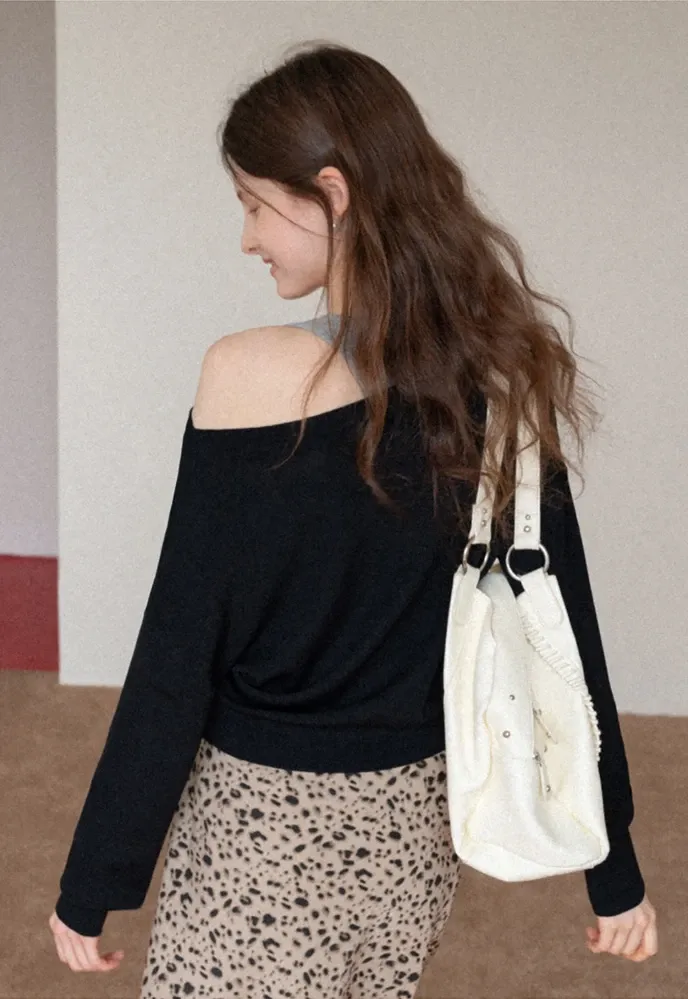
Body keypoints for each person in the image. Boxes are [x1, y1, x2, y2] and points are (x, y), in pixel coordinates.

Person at [49, 40, 658, 994]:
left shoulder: (246, 376)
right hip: (417, 831)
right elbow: (564, 635)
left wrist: (95, 881)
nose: (247, 236)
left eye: (255, 204)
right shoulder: (498, 378)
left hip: (262, 832)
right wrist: (615, 877)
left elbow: (178, 648)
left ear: (331, 194)